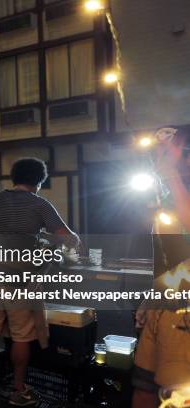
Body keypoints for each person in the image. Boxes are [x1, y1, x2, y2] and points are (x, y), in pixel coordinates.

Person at [0, 158, 80, 406]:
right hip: (20, 283)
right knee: (22, 336)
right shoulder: (40, 204)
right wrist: (61, 238)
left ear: (14, 177)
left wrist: (37, 235)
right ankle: (19, 391)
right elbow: (69, 240)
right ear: (40, 181)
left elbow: (12, 231)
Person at [132, 132, 190, 408]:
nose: (159, 160)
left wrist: (171, 176)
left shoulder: (177, 191)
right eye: (158, 153)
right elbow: (173, 259)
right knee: (143, 388)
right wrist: (151, 298)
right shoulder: (168, 199)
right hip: (163, 310)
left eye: (168, 152)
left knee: (175, 396)